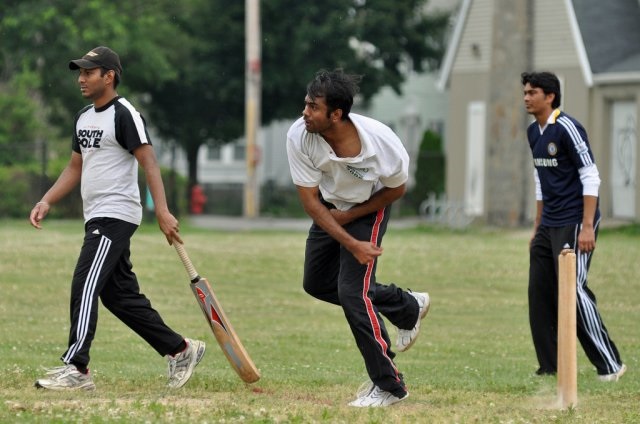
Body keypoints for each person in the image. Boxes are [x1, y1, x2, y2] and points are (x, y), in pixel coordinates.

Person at [29, 46, 205, 391]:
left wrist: (164, 211)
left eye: (88, 72)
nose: (81, 79)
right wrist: (47, 200)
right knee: (118, 295)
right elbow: (75, 166)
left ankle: (77, 368)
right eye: (79, 72)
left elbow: (149, 162)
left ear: (109, 76)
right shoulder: (83, 117)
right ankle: (180, 349)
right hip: (95, 214)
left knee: (85, 284)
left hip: (116, 214)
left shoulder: (124, 114)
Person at [286, 69, 430, 407]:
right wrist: (348, 240)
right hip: (329, 206)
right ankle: (407, 306)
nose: (305, 113)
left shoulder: (382, 144)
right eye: (306, 104)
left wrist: (352, 219)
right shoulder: (300, 135)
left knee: (353, 293)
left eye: (313, 107)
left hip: (371, 205)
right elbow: (310, 202)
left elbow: (397, 189)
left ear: (336, 114)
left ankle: (389, 385)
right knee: (316, 283)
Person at [521, 71, 625, 381]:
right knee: (539, 291)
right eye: (525, 92)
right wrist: (537, 225)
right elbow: (542, 179)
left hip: (575, 220)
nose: (526, 97)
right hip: (548, 223)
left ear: (550, 96)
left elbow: (591, 176)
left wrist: (589, 226)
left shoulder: (567, 127)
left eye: (532, 92)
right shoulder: (533, 133)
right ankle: (550, 365)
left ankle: (610, 364)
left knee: (573, 292)